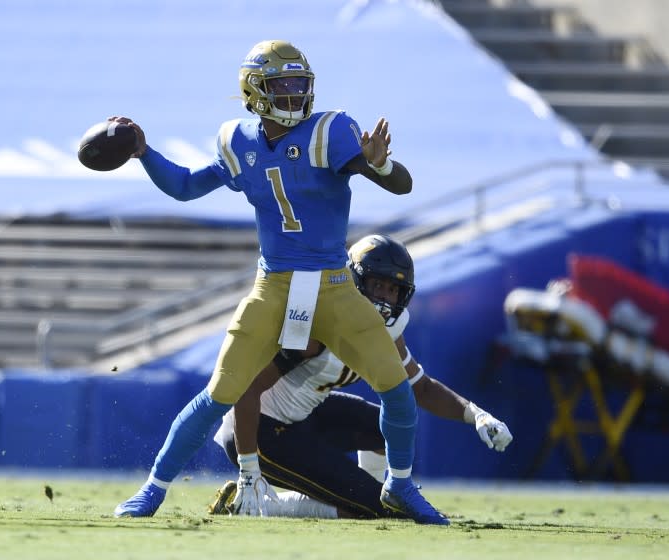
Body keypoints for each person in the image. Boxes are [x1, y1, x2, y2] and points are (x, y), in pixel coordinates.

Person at [113, 39, 447, 524]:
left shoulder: (329, 131)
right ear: (255, 90)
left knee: (395, 388)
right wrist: (143, 152)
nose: (293, 94)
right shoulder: (239, 141)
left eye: (299, 84)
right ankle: (153, 489)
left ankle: (398, 486)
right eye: (282, 84)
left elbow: (400, 184)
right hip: (274, 285)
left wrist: (379, 164)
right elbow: (185, 186)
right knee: (220, 393)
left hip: (334, 284)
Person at [207, 234, 513, 519]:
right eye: (377, 284)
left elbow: (422, 389)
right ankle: (265, 505)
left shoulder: (386, 332)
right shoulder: (318, 322)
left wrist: (477, 415)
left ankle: (371, 493)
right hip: (259, 429)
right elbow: (247, 388)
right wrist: (249, 468)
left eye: (393, 289)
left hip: (303, 416)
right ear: (354, 280)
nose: (384, 297)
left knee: (390, 431)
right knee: (377, 510)